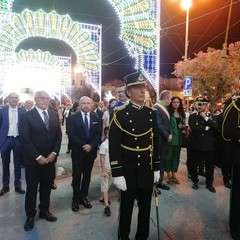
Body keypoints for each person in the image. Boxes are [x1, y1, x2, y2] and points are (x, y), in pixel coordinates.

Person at [109, 72, 160, 240]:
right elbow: (114, 145)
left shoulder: (151, 112)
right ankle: (123, 236)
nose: (141, 91)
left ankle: (142, 237)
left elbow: (155, 141)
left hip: (146, 168)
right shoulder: (119, 113)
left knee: (145, 209)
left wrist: (157, 167)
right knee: (126, 209)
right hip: (128, 170)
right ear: (128, 92)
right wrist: (117, 172)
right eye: (137, 88)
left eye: (143, 87)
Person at [19, 90, 62, 231]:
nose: (45, 100)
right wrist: (38, 157)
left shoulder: (54, 115)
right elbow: (25, 139)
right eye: (42, 98)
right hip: (33, 161)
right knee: (32, 188)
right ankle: (30, 215)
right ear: (36, 99)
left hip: (50, 159)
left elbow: (58, 137)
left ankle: (44, 210)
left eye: (47, 98)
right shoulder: (26, 116)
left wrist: (54, 153)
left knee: (46, 186)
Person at [68, 96, 101, 212]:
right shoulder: (72, 118)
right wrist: (83, 145)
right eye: (83, 103)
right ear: (79, 105)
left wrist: (91, 145)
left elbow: (98, 134)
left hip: (90, 153)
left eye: (88, 103)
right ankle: (75, 199)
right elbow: (71, 135)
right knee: (77, 176)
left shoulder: (96, 117)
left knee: (87, 176)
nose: (86, 105)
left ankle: (83, 196)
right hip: (78, 152)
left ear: (92, 105)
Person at [188, 96, 218, 193]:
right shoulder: (192, 116)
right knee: (194, 164)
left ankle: (209, 184)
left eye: (202, 104)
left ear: (206, 105)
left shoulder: (212, 116)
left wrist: (205, 117)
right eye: (198, 104)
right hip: (196, 145)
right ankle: (194, 181)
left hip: (208, 146)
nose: (200, 106)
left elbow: (215, 126)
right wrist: (206, 128)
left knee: (209, 166)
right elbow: (194, 127)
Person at [0, 92, 26, 197]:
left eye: (16, 98)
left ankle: (17, 185)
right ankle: (5, 186)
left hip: (18, 140)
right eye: (12, 98)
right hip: (6, 140)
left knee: (18, 164)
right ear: (8, 99)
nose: (14, 99)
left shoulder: (23, 111)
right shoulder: (2, 112)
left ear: (18, 99)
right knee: (5, 164)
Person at [222, 95, 240, 240]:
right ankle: (236, 226)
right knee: (238, 195)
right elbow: (226, 132)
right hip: (239, 157)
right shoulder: (235, 106)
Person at [153, 90, 172, 192]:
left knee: (162, 162)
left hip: (164, 140)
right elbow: (158, 125)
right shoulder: (157, 107)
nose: (171, 101)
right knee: (157, 162)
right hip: (159, 140)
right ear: (166, 98)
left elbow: (167, 123)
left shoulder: (163, 108)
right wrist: (167, 135)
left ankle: (159, 181)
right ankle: (154, 184)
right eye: (170, 98)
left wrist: (170, 133)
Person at [165, 96, 185, 184]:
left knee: (176, 157)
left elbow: (184, 124)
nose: (176, 104)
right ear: (171, 103)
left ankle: (174, 175)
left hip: (179, 139)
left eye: (178, 102)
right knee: (168, 157)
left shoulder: (182, 114)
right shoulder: (168, 113)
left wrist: (183, 127)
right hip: (170, 138)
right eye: (174, 102)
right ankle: (168, 175)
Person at [99, 126, 112, 217]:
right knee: (105, 185)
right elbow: (102, 159)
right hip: (106, 169)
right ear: (107, 135)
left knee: (108, 185)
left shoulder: (116, 144)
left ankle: (102, 197)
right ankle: (106, 205)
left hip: (113, 168)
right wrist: (103, 170)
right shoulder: (104, 145)